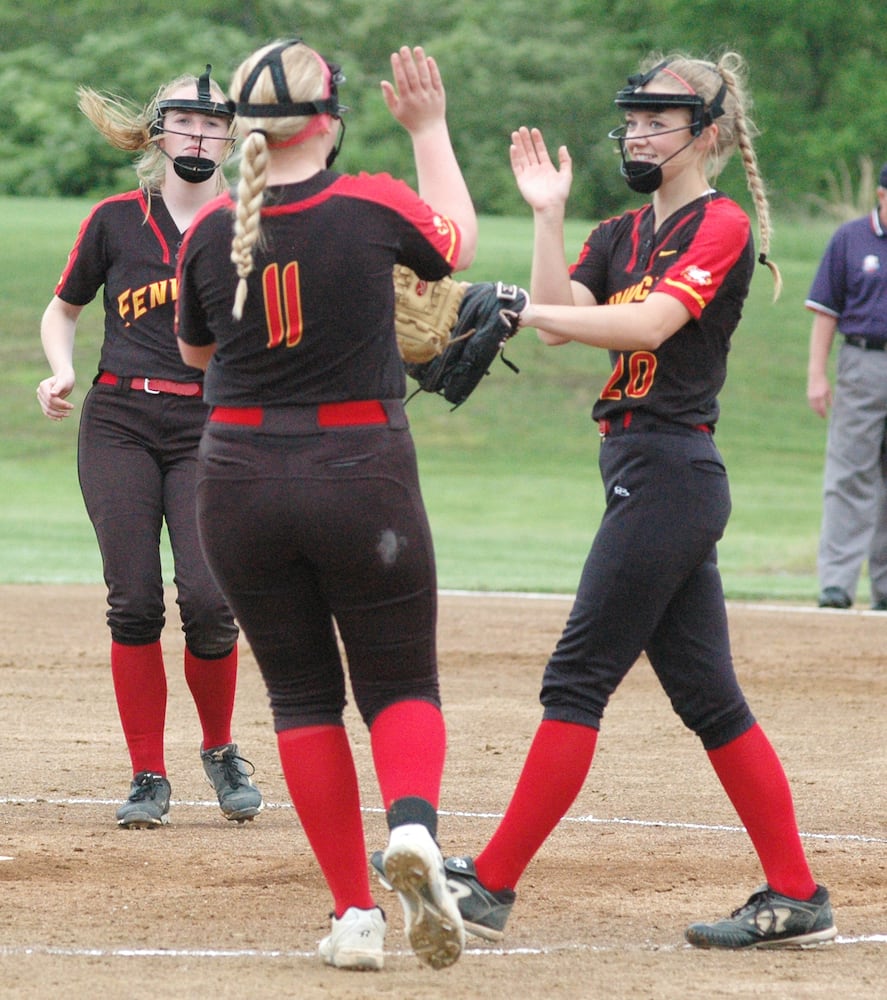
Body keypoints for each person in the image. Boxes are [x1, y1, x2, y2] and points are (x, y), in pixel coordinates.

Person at [426, 52, 837, 950]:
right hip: (645, 474)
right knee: (710, 699)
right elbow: (562, 303)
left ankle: (490, 885)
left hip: (670, 476)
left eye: (661, 117)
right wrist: (545, 217)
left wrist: (528, 316)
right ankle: (796, 893)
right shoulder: (620, 231)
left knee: (576, 679)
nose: (640, 131)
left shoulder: (718, 223)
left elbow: (645, 324)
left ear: (710, 134)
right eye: (634, 117)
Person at [175, 40, 478, 972]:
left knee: (302, 695)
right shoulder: (371, 202)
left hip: (236, 474)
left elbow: (196, 361)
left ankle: (353, 916)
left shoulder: (208, 231)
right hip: (360, 469)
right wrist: (427, 129)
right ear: (330, 119)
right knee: (399, 684)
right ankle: (416, 832)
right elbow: (455, 241)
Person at [37, 65, 264, 830]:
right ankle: (147, 774)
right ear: (158, 130)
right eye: (186, 122)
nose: (199, 136)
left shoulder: (248, 225)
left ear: (231, 139)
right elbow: (63, 309)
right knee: (133, 600)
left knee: (208, 600)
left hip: (210, 429)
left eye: (214, 125)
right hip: (119, 423)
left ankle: (220, 749)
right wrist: (61, 367)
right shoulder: (114, 220)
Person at [805, 163, 887, 611]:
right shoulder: (851, 239)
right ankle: (836, 584)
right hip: (863, 360)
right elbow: (825, 310)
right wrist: (817, 375)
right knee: (850, 473)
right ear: (880, 195)